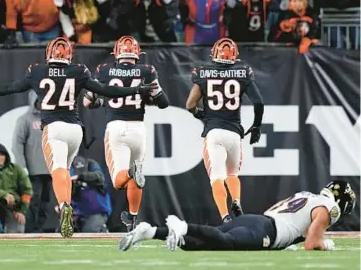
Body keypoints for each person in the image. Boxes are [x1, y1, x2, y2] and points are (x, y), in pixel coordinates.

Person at [0, 36, 158, 237]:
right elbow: (106, 90)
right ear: (69, 55)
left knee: (59, 170)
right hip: (74, 130)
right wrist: (135, 89)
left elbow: (12, 87)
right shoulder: (79, 71)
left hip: (54, 128)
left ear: (49, 54)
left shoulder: (37, 71)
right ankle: (66, 205)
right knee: (64, 169)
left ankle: (65, 206)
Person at [119, 180, 356, 252]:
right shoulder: (327, 208)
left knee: (196, 246)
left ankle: (151, 231)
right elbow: (311, 244)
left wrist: (287, 243)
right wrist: (327, 244)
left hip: (258, 221)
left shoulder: (307, 195)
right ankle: (183, 226)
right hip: (266, 231)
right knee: (227, 243)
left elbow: (287, 219)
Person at [83, 36, 169, 232]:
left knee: (119, 179)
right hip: (138, 129)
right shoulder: (147, 71)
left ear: (117, 54)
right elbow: (163, 103)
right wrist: (146, 95)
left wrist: (104, 102)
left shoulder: (104, 70)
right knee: (136, 178)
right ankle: (132, 217)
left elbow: (88, 102)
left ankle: (132, 174)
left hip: (117, 128)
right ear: (137, 54)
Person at [186, 38, 264, 222]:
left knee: (217, 177)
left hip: (214, 133)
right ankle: (236, 200)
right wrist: (256, 126)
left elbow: (190, 104)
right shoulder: (243, 72)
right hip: (234, 133)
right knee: (232, 174)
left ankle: (225, 216)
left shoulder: (203, 73)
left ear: (214, 54)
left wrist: (200, 114)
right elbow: (259, 102)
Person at [12, 91, 52, 233]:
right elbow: (17, 144)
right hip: (32, 171)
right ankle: (30, 231)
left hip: (49, 170)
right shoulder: (25, 120)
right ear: (34, 100)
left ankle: (39, 230)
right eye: (40, 99)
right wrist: (22, 166)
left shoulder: (51, 119)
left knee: (45, 203)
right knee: (33, 201)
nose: (42, 103)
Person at [70, 155, 112, 233]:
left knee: (90, 230)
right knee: (63, 230)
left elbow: (99, 177)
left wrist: (80, 177)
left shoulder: (93, 167)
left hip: (98, 211)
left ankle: (103, 230)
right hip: (78, 212)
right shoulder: (70, 171)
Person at [0, 143, 33, 233]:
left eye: (2, 154)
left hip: (12, 207)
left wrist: (22, 211)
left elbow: (27, 192)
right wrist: (4, 194)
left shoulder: (17, 169)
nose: (0, 157)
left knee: (17, 233)